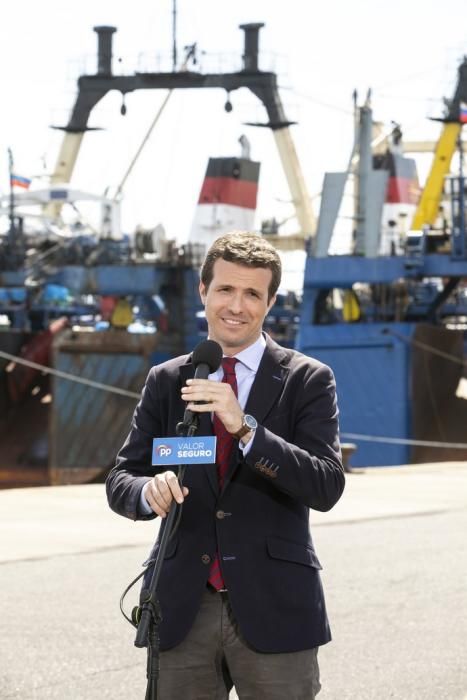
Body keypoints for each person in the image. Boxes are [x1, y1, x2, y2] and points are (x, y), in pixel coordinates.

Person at [106, 231, 345, 699]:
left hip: (275, 604)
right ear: (204, 291)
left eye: (252, 293)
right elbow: (122, 477)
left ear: (270, 301)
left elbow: (326, 485)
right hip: (181, 607)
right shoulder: (167, 380)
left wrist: (247, 430)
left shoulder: (308, 380)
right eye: (225, 290)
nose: (237, 306)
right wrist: (145, 492)